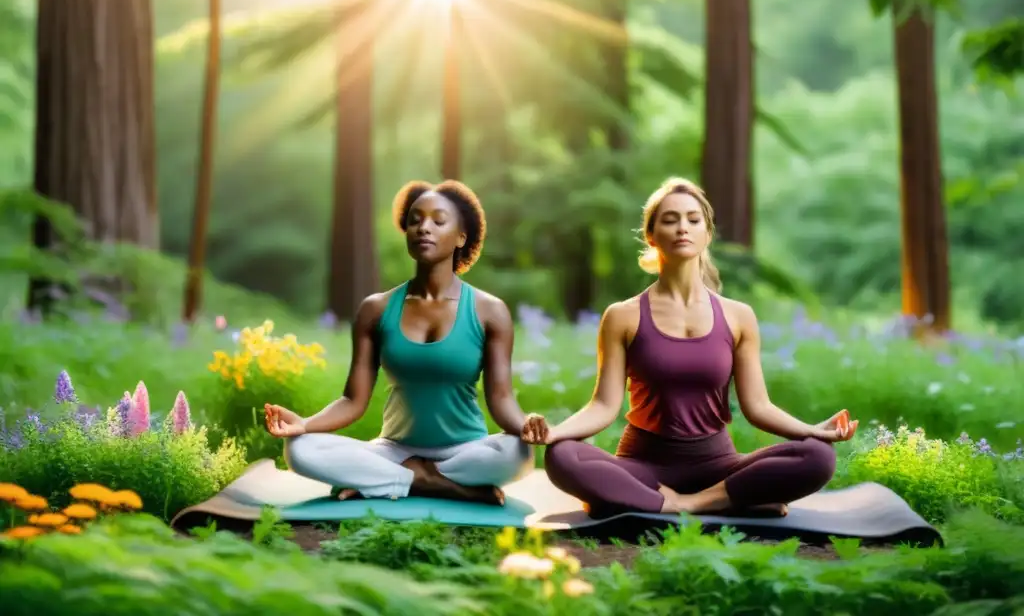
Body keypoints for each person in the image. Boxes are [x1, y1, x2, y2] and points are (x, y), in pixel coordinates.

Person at [530, 177, 858, 518]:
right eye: (670, 220)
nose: (682, 228)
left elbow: (758, 406)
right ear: (651, 236)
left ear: (707, 234)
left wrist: (814, 430)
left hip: (717, 466)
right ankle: (720, 503)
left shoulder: (738, 316)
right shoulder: (622, 316)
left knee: (819, 456)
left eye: (693, 219)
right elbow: (603, 406)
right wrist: (555, 432)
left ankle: (682, 504)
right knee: (563, 456)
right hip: (644, 469)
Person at [264, 180, 550, 506]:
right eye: (415, 220)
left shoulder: (490, 311)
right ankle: (434, 482)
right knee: (300, 449)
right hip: (394, 449)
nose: (423, 228)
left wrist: (526, 424)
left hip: (465, 451)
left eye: (438, 221)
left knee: (517, 453)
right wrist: (304, 424)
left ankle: (390, 481)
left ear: (461, 237)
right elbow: (353, 400)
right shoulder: (376, 309)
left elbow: (501, 399)